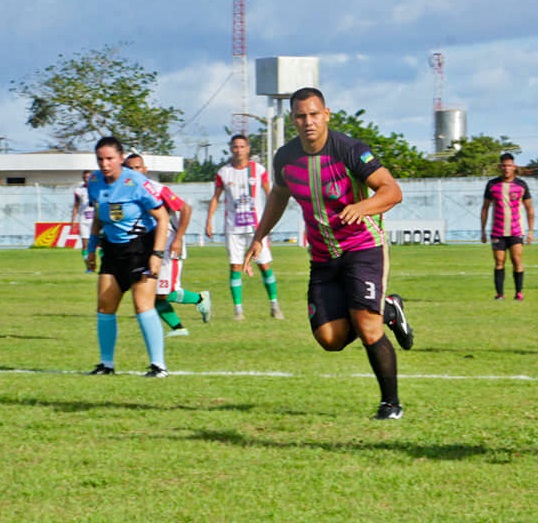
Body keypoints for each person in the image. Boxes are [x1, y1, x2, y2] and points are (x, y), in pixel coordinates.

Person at [244, 87, 414, 420]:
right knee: (329, 338)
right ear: (292, 119)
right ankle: (387, 309)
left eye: (314, 114)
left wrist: (362, 207)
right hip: (322, 258)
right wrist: (259, 236)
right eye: (300, 116)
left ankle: (391, 404)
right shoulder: (285, 158)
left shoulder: (350, 151)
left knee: (368, 328)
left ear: (327, 115)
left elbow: (392, 191)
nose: (308, 121)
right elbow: (279, 196)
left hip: (363, 249)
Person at [85, 137, 170, 378]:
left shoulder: (136, 183)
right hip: (111, 249)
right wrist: (91, 249)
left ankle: (158, 365)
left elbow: (162, 218)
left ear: (121, 158)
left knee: (142, 305)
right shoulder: (94, 182)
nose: (104, 164)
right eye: (100, 159)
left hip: (141, 248)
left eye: (110, 158)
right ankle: (106, 364)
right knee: (104, 306)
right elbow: (99, 217)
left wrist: (156, 254)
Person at [124, 154, 212, 337]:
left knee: (164, 292)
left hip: (168, 247)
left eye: (137, 167)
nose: (134, 172)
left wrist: (178, 239)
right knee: (149, 292)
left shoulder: (158, 189)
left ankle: (199, 298)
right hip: (147, 249)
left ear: (145, 170)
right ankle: (179, 329)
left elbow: (186, 209)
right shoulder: (125, 192)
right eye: (129, 168)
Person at [205, 134, 283, 321]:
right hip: (233, 228)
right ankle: (238, 310)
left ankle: (274, 305)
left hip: (257, 228)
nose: (238, 150)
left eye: (242, 146)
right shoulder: (223, 173)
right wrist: (209, 220)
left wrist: (271, 219)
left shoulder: (259, 170)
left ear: (248, 149)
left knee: (264, 265)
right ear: (231, 149)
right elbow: (216, 197)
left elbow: (271, 194)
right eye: (235, 147)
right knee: (235, 266)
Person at [480, 153, 535, 300]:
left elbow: (529, 209)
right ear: (500, 167)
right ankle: (500, 294)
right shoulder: (492, 185)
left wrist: (530, 231)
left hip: (516, 230)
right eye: (504, 165)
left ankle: (518, 293)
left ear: (514, 167)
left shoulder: (521, 185)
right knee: (499, 262)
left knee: (517, 260)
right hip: (497, 231)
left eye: (509, 165)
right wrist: (483, 231)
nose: (506, 168)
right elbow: (485, 208)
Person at [71, 170, 95, 272]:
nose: (87, 179)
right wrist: (73, 220)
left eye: (89, 177)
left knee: (102, 245)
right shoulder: (79, 191)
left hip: (96, 220)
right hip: (84, 220)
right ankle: (89, 267)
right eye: (85, 177)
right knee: (85, 244)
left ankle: (104, 266)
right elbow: (76, 205)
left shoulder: (98, 188)